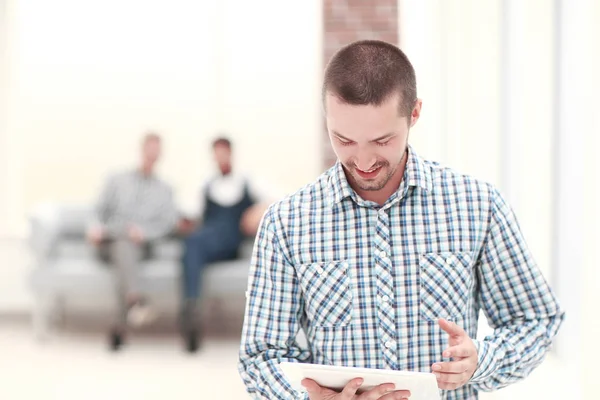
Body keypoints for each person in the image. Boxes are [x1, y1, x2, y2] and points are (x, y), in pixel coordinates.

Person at [238, 40, 565, 400]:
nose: (363, 161)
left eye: (382, 140)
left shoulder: (477, 205)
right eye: (343, 139)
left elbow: (535, 321)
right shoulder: (287, 222)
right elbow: (261, 356)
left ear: (414, 113)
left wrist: (480, 361)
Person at [180, 137, 277, 352]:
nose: (220, 157)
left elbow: (275, 202)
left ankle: (191, 303)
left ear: (230, 153)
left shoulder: (247, 181)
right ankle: (192, 307)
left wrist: (254, 212)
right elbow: (193, 215)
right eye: (216, 153)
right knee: (191, 245)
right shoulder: (206, 185)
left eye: (223, 152)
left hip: (230, 239)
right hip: (207, 239)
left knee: (194, 245)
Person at [87, 132, 178, 351]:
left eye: (156, 150)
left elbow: (167, 225)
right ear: (142, 149)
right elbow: (97, 211)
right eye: (149, 148)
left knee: (125, 248)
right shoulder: (116, 180)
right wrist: (94, 227)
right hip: (108, 241)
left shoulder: (165, 190)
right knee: (121, 243)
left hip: (139, 245)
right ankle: (135, 301)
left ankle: (124, 316)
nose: (152, 154)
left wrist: (144, 233)